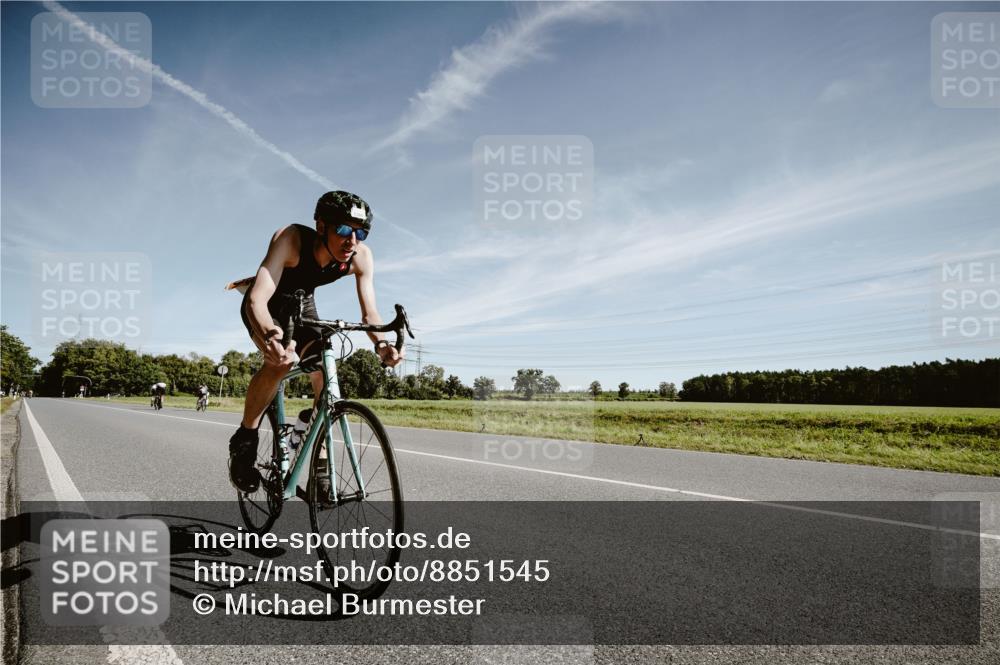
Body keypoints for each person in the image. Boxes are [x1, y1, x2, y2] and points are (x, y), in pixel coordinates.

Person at [227, 191, 404, 493]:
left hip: (302, 305)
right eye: (344, 230)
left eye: (360, 232)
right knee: (281, 361)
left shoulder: (360, 256)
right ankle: (245, 440)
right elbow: (257, 298)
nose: (352, 241)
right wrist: (270, 334)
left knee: (325, 363)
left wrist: (381, 344)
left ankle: (319, 463)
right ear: (321, 227)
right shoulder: (291, 239)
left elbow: (369, 312)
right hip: (267, 305)